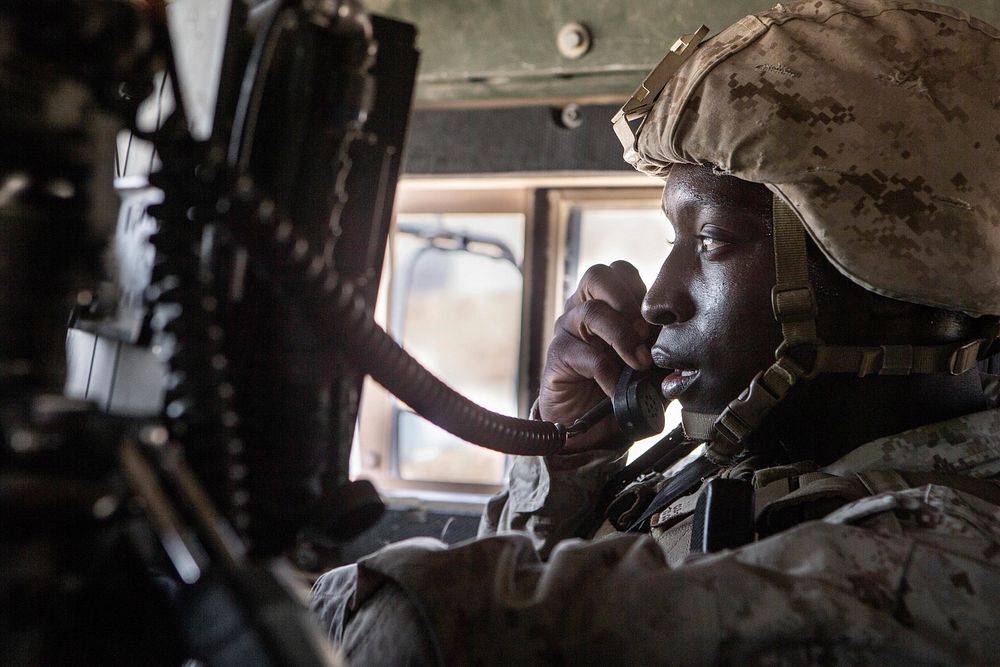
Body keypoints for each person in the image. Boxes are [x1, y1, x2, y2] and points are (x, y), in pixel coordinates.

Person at [312, 0, 1000, 663]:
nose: (660, 300)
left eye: (710, 241)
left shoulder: (946, 555)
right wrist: (569, 456)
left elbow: (435, 635)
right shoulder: (750, 456)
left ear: (889, 278)